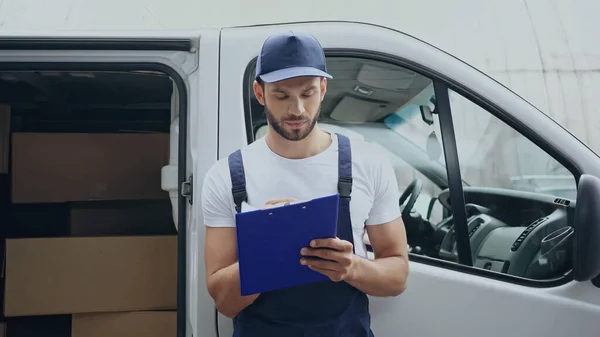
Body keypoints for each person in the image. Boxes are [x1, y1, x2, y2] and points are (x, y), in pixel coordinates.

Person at [202, 31, 409, 337]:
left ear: (323, 88)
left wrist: (350, 266)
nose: (297, 109)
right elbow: (224, 301)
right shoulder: (227, 176)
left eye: (307, 93)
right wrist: (265, 251)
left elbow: (397, 275)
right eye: (282, 95)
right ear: (260, 94)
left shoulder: (367, 163)